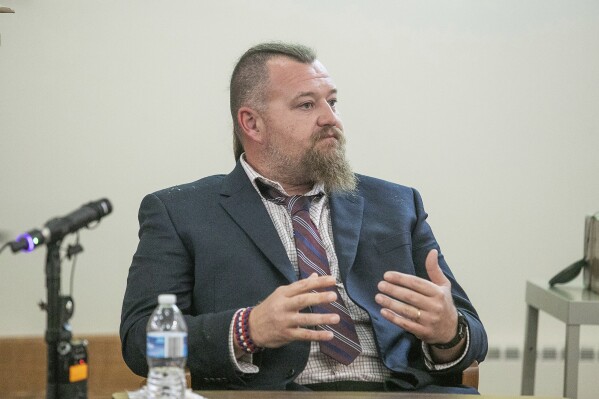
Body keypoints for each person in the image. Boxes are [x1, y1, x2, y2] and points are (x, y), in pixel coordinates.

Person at [120, 42, 487, 393]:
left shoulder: (397, 203)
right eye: (306, 105)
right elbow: (140, 341)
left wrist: (448, 332)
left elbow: (472, 338)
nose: (330, 118)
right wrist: (247, 329)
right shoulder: (180, 212)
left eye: (333, 102)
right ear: (252, 123)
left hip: (396, 393)